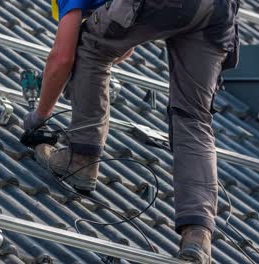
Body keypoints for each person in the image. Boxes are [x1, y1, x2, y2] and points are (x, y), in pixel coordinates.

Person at [24, 0, 240, 263]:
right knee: (193, 117)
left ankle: (81, 158)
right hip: (219, 10)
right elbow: (124, 41)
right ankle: (198, 236)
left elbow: (62, 57)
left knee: (90, 45)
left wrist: (39, 117)